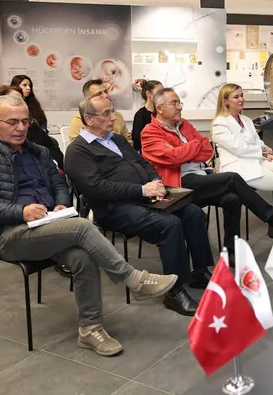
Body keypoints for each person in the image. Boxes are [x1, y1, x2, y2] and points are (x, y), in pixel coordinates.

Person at [0, 94, 177, 357]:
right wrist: (20, 212)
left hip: (48, 225)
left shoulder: (38, 152)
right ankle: (133, 279)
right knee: (82, 227)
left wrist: (61, 203)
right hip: (6, 234)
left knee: (82, 256)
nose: (21, 128)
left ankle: (90, 329)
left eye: (26, 121)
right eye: (12, 122)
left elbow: (59, 185)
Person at [64, 95, 213, 316]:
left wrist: (155, 181)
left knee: (192, 212)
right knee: (169, 224)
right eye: (106, 113)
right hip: (113, 208)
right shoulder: (78, 151)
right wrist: (142, 190)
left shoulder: (117, 140)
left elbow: (143, 162)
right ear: (88, 118)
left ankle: (199, 272)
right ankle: (175, 291)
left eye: (113, 111)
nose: (113, 117)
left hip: (144, 196)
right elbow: (98, 189)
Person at [140, 88, 273, 254]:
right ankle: (271, 219)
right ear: (159, 108)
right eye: (174, 103)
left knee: (232, 199)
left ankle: (231, 252)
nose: (179, 107)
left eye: (180, 103)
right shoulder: (150, 132)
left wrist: (185, 150)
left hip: (201, 176)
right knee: (232, 178)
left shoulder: (184, 124)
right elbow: (174, 158)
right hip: (178, 184)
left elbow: (207, 150)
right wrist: (195, 144)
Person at [211, 83, 273, 226]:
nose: (241, 99)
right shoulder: (220, 124)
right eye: (236, 97)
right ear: (226, 101)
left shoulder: (246, 120)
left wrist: (267, 154)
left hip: (255, 161)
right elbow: (239, 149)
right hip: (237, 169)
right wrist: (263, 151)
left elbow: (257, 141)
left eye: (242, 95)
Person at [0, 85, 64, 169]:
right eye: (12, 122)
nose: (21, 128)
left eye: (21, 101)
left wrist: (49, 165)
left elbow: (54, 151)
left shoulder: (33, 127)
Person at [68, 79, 133, 144]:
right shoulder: (79, 120)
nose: (105, 95)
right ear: (88, 99)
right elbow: (78, 147)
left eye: (106, 91)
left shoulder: (117, 115)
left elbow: (127, 139)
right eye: (99, 94)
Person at [132, 80, 162, 152]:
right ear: (148, 94)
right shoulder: (140, 115)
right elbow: (137, 141)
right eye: (159, 93)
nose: (162, 96)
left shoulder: (162, 113)